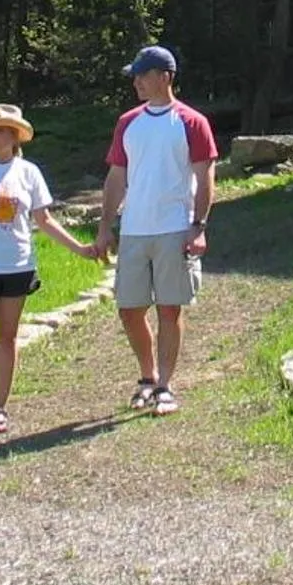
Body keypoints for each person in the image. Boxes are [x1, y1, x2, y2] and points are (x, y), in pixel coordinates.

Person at [0, 103, 97, 436]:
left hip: (17, 265)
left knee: (7, 336)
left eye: (0, 130)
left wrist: (79, 248)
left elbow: (43, 220)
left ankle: (0, 408)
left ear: (15, 136)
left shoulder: (28, 173)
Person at [94, 45, 217, 417]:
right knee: (129, 309)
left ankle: (164, 384)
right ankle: (146, 377)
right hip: (134, 230)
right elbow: (117, 177)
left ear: (165, 77)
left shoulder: (192, 121)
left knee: (169, 308)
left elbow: (205, 175)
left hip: (174, 227)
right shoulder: (128, 122)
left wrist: (198, 226)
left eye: (142, 75)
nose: (136, 82)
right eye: (135, 75)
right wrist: (105, 227)